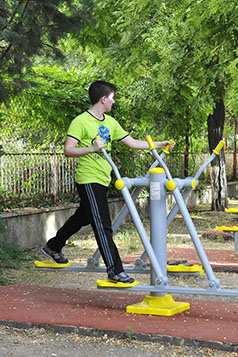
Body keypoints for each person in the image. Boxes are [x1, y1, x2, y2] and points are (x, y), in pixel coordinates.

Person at [41, 80, 174, 285]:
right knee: (103, 226)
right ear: (103, 99)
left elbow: (132, 143)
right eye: (112, 97)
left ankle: (53, 246)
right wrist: (92, 148)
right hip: (88, 179)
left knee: (83, 217)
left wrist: (158, 144)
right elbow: (68, 150)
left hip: (102, 179)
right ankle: (115, 271)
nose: (113, 101)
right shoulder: (81, 121)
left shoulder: (110, 122)